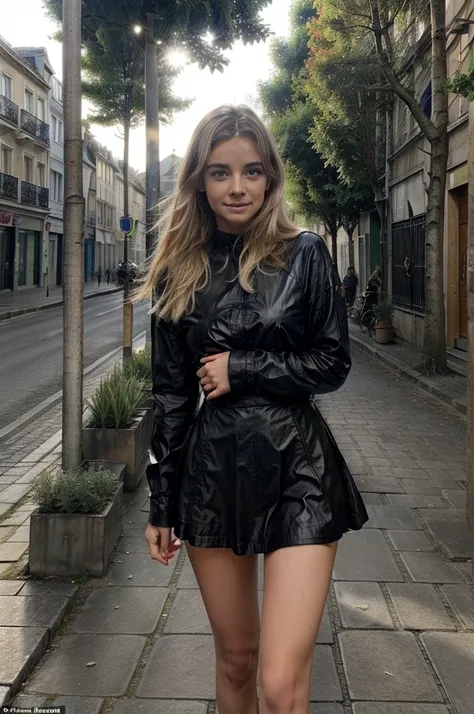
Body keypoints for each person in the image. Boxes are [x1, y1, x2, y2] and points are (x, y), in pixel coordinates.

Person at [135, 105, 368, 714]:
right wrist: (161, 500)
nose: (237, 187)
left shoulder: (305, 253)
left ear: (270, 178)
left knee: (279, 683)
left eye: (251, 171)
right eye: (220, 173)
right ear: (198, 181)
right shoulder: (176, 270)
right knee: (236, 661)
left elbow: (332, 362)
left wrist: (242, 368)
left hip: (300, 471)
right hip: (212, 474)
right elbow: (171, 394)